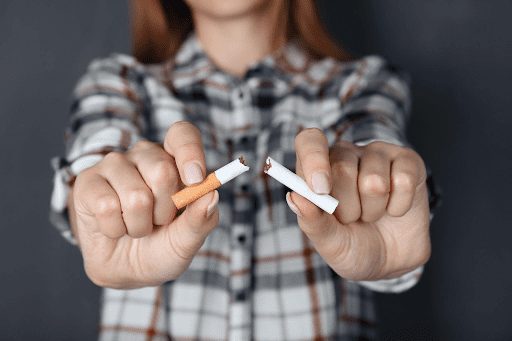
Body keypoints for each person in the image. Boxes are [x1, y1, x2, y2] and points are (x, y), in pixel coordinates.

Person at [50, 0, 433, 339]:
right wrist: (101, 201)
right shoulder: (118, 84)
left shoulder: (364, 85)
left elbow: (373, 137)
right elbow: (96, 154)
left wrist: (383, 188)